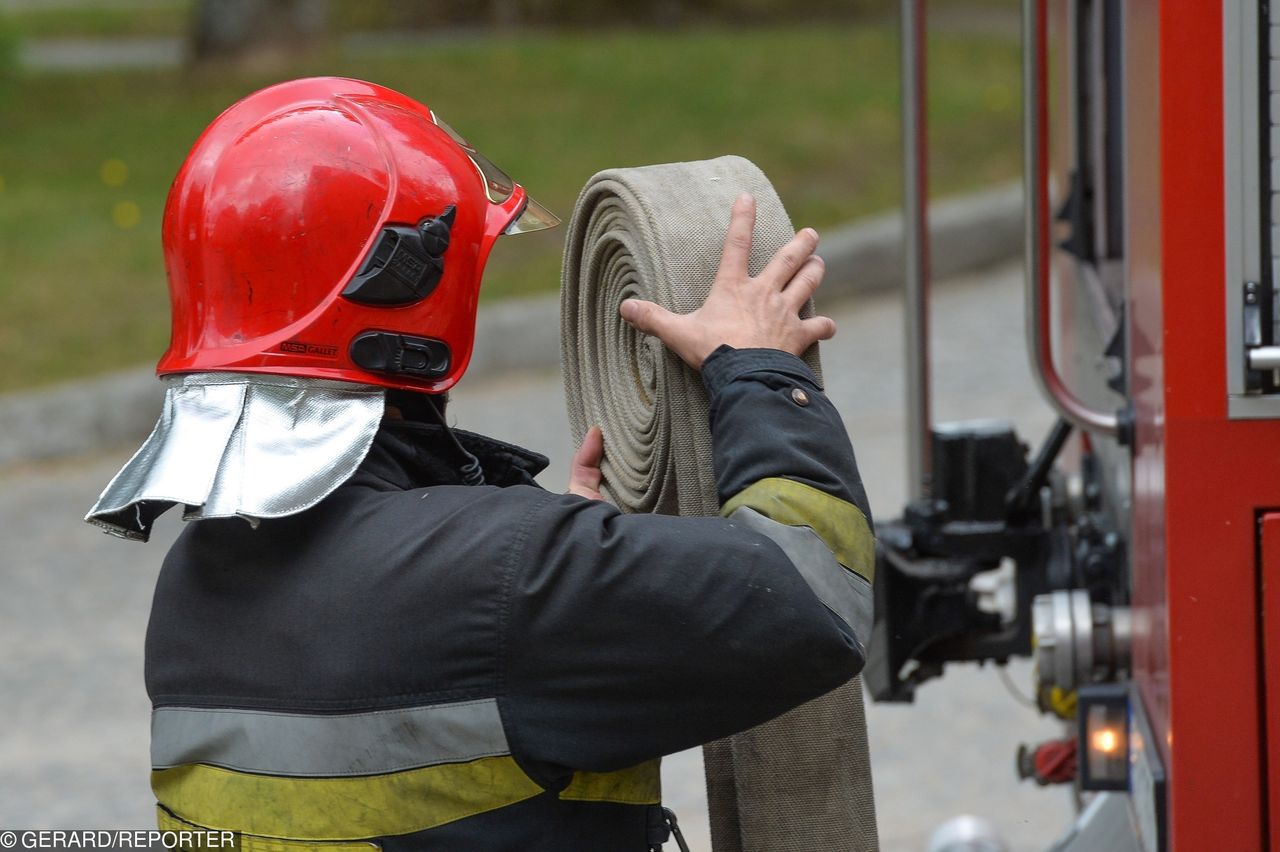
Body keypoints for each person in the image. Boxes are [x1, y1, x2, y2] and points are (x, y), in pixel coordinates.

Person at [86, 77, 874, 852]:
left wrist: (566, 565)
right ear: (413, 290)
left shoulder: (194, 587)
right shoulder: (513, 580)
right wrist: (760, 369)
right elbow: (815, 594)